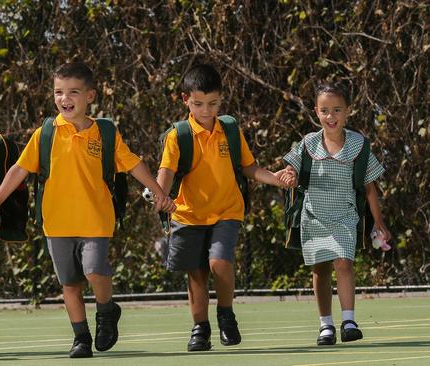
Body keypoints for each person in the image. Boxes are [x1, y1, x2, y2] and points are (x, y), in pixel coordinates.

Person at [0, 62, 175, 358]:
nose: (64, 98)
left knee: (94, 270)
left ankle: (107, 311)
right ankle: (81, 337)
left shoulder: (105, 134)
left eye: (73, 92)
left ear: (90, 96)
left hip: (95, 221)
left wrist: (160, 192)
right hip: (57, 224)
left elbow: (134, 164)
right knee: (69, 284)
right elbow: (18, 170)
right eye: (58, 92)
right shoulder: (46, 134)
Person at [156, 64, 292, 352]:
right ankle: (200, 328)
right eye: (199, 104)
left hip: (227, 211)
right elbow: (165, 172)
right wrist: (160, 194)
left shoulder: (229, 129)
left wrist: (276, 179)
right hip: (188, 214)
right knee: (197, 274)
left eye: (213, 103)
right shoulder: (178, 136)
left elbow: (249, 167)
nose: (206, 110)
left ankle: (226, 314)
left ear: (221, 99)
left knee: (219, 262)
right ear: (185, 100)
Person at [282, 82, 390, 345]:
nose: (331, 116)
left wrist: (379, 222)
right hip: (314, 217)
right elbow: (290, 168)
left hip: (345, 216)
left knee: (344, 262)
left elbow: (370, 188)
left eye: (337, 110)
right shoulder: (308, 143)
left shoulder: (358, 144)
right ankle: (326, 325)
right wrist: (290, 174)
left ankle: (349, 321)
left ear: (348, 111)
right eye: (325, 110)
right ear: (316, 112)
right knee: (320, 269)